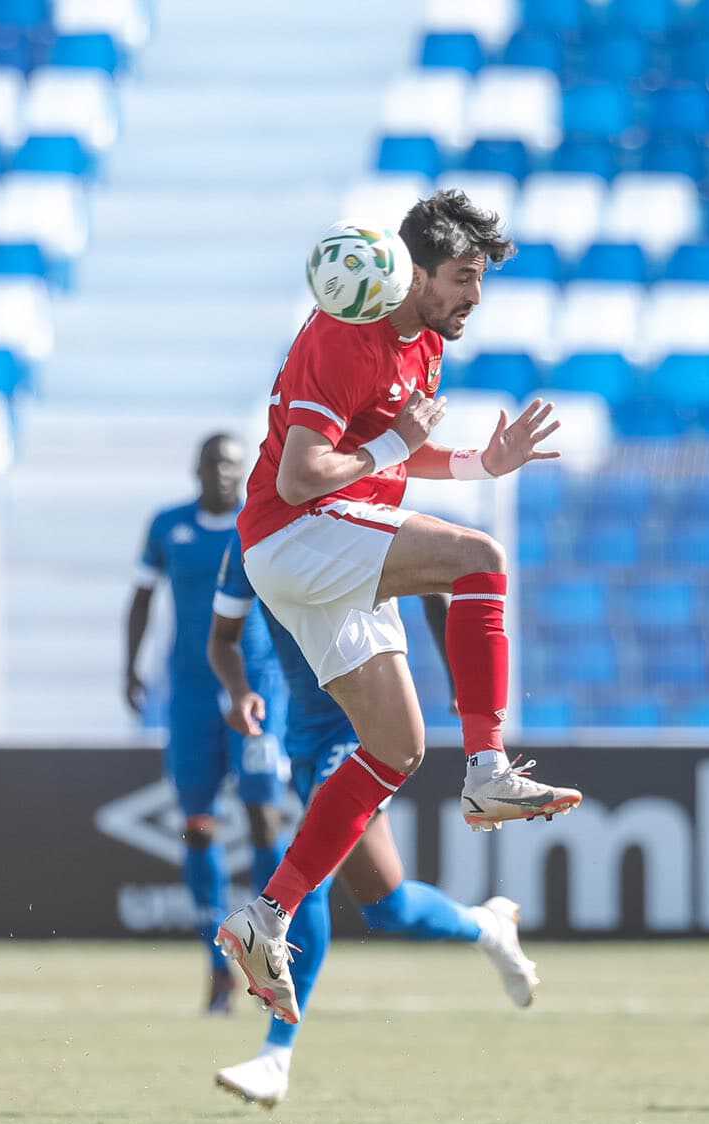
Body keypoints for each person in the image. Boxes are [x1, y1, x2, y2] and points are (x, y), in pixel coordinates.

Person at [214, 190, 582, 1023]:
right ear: (414, 273)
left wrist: (483, 465)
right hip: (298, 532)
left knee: (397, 747)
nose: (474, 297)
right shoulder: (352, 332)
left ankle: (263, 917)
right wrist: (395, 446)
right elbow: (302, 474)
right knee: (479, 558)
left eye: (480, 280)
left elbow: (392, 458)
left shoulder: (422, 347)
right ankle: (488, 768)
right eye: (462, 277)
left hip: (329, 544)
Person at [205, 536, 539, 1107]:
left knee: (304, 878)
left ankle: (275, 1057)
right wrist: (238, 692)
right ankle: (487, 927)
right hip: (304, 736)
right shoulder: (253, 540)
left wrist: (462, 679)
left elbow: (441, 582)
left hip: (362, 729)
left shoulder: (361, 524)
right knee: (389, 906)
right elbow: (223, 640)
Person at [125, 434, 290, 1013]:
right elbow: (142, 597)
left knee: (264, 816)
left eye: (234, 464)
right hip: (191, 693)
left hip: (259, 687)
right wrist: (131, 668)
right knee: (198, 825)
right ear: (196, 469)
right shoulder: (168, 526)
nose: (225, 472)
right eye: (215, 462)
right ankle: (218, 963)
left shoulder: (264, 521)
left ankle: (271, 953)